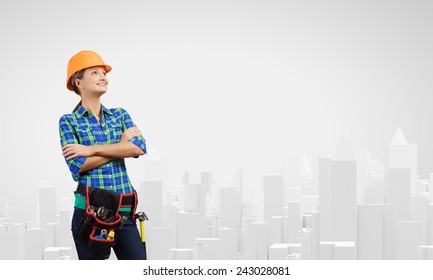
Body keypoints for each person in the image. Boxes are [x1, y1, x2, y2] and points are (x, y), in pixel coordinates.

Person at [59, 50, 147, 260]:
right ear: (78, 83)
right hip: (89, 213)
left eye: (104, 73)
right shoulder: (69, 121)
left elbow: (138, 148)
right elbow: (78, 166)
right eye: (95, 73)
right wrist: (120, 146)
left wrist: (90, 150)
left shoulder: (120, 115)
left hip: (124, 211)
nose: (103, 77)